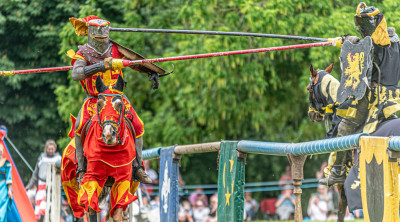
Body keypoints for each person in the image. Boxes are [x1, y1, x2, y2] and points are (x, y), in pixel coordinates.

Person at [67, 15, 168, 185]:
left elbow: (133, 63)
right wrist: (101, 65)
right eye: (97, 32)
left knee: (138, 125)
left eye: (103, 31)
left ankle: (137, 167)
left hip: (118, 99)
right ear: (91, 33)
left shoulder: (115, 49)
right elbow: (76, 74)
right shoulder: (83, 52)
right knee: (79, 126)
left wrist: (151, 71)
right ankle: (82, 169)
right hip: (96, 100)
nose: (101, 35)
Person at [320, 2, 400, 186]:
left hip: (373, 97)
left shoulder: (376, 42)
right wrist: (351, 41)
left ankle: (339, 171)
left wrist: (348, 44)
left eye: (363, 25)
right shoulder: (393, 40)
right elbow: (371, 47)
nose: (362, 29)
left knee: (344, 129)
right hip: (393, 95)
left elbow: (362, 61)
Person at [25, 139, 61, 221]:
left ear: (55, 148)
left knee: (52, 207)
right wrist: (29, 186)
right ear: (46, 149)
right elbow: (35, 174)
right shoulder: (42, 158)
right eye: (49, 149)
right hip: (42, 185)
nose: (51, 151)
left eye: (52, 149)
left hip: (54, 186)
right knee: (40, 208)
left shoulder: (58, 158)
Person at [0, 139, 12, 222]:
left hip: (3, 187)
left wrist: (9, 190)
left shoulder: (6, 163)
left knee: (2, 210)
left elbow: (8, 177)